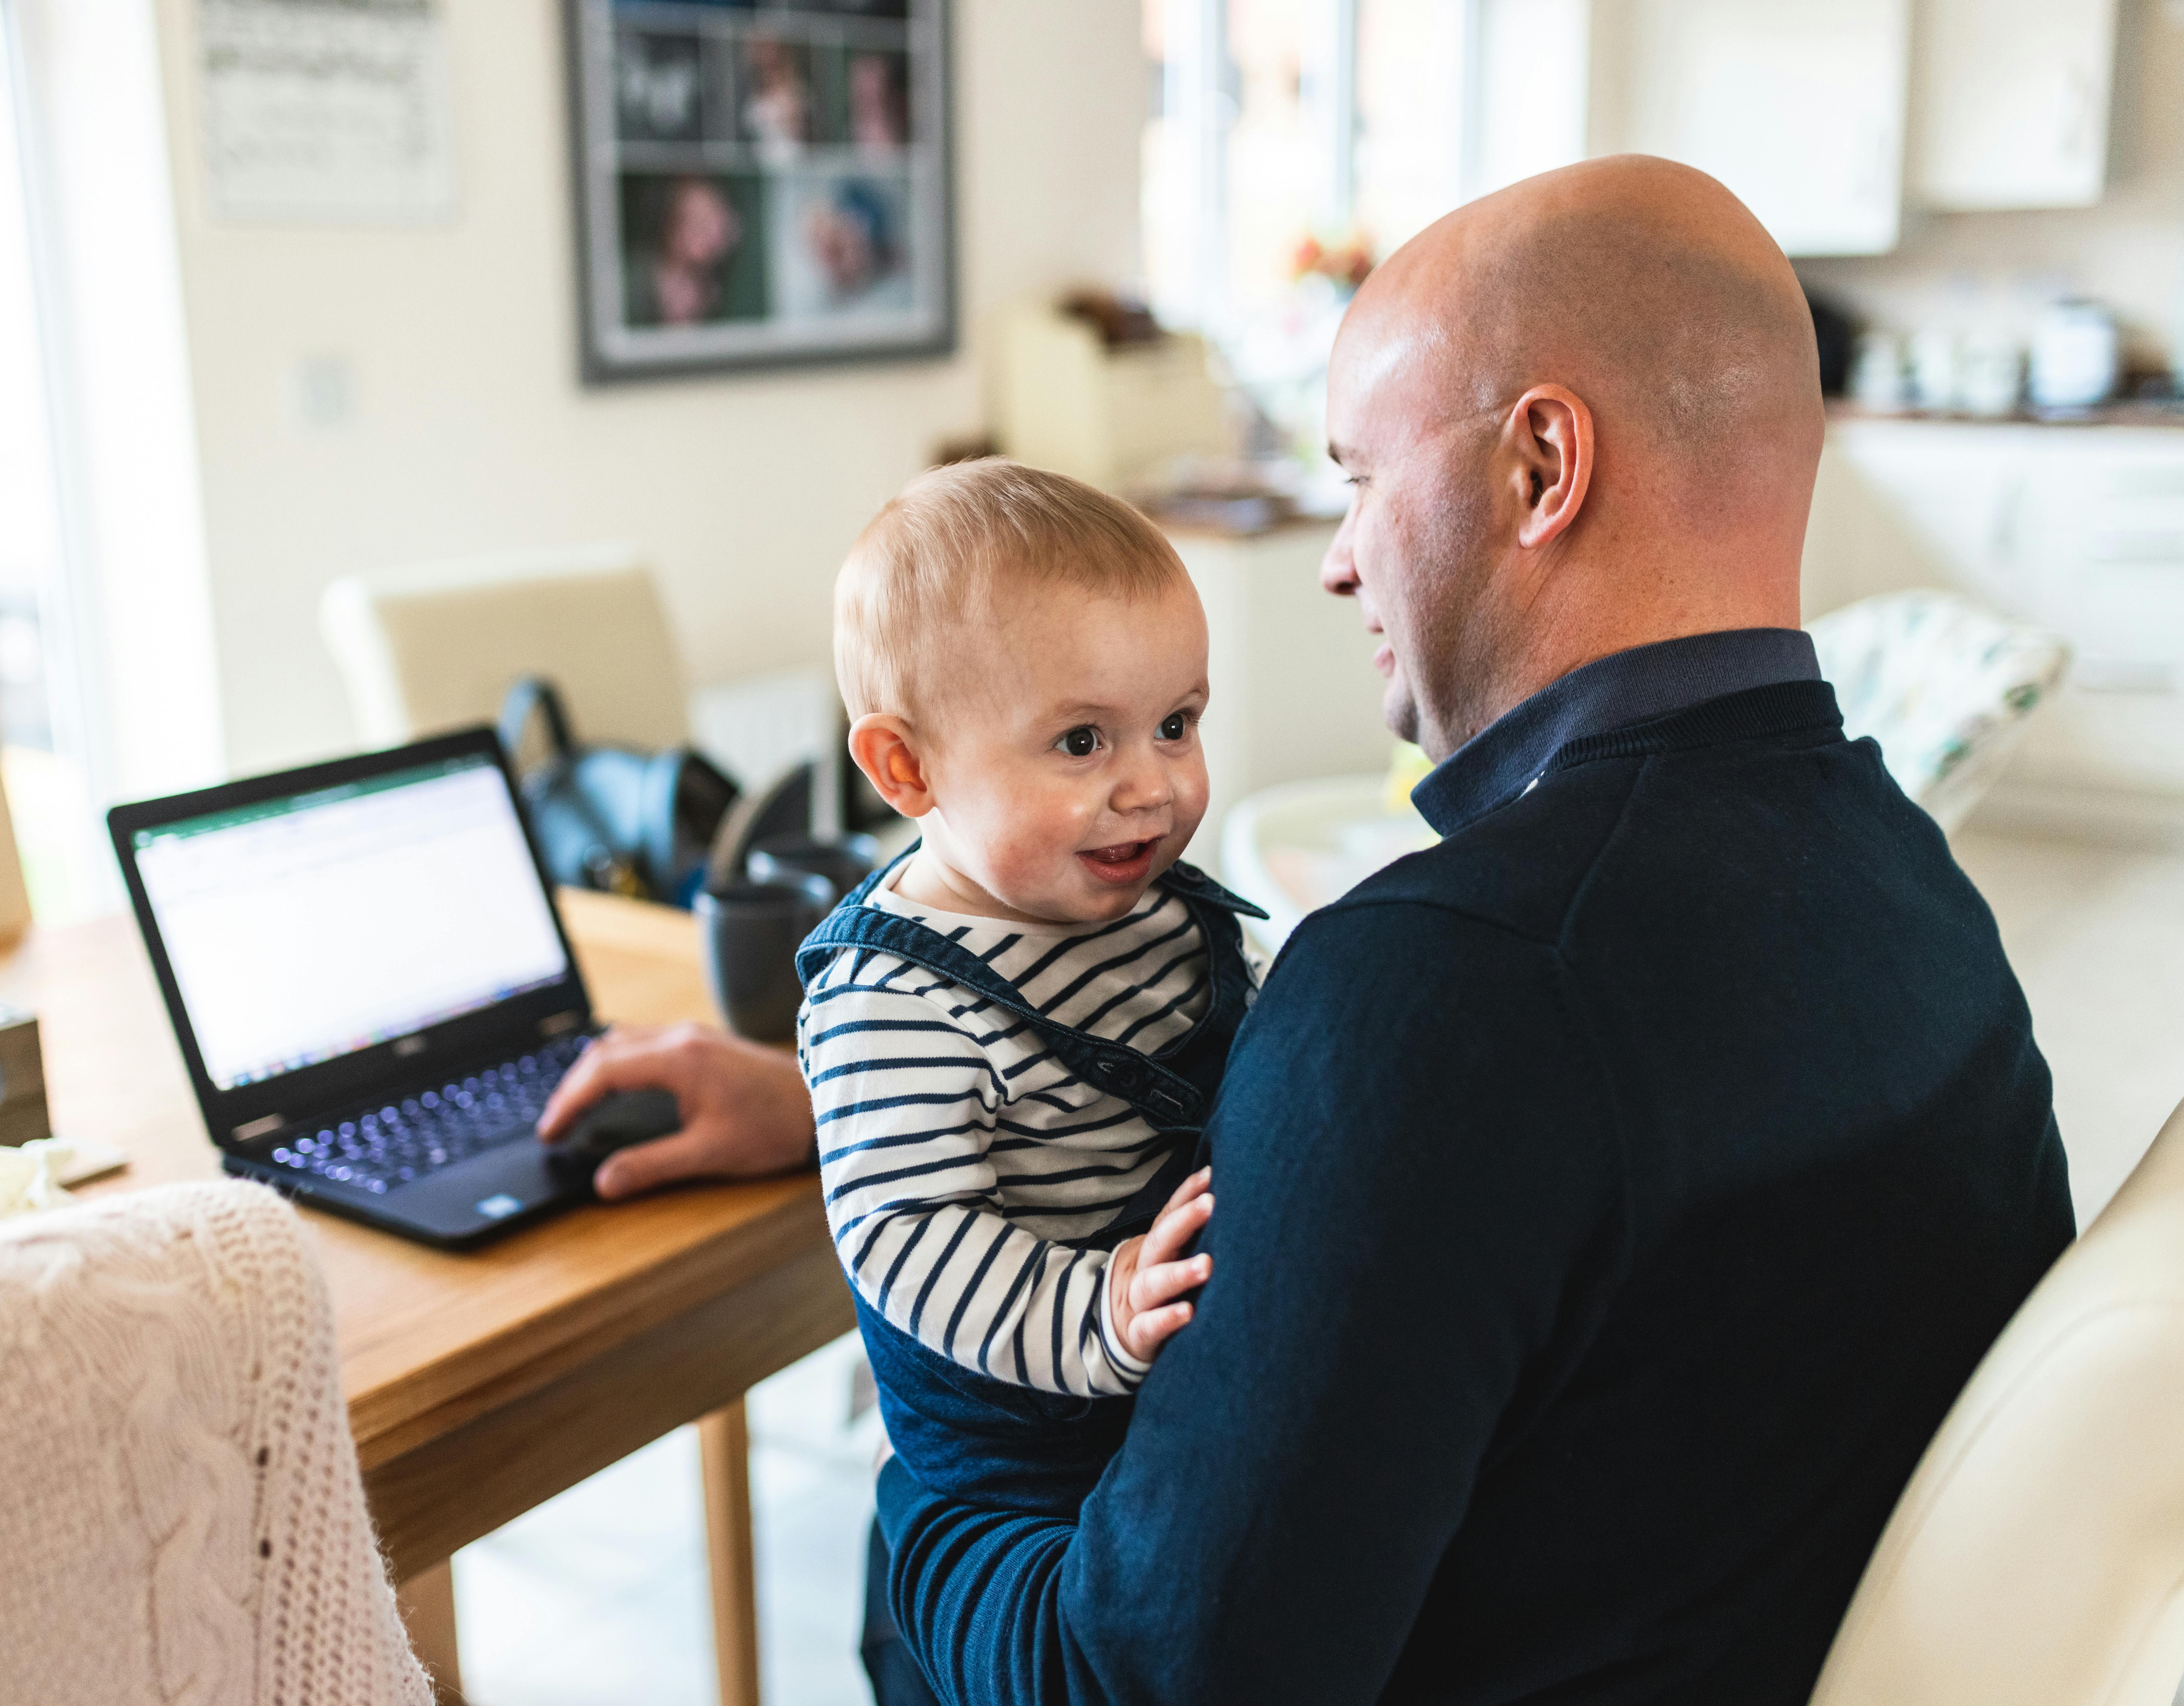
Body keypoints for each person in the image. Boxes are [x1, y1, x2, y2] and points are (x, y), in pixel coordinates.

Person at [543, 155, 2073, 1705]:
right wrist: (838, 1103)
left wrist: (924, 1510)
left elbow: (1124, 1680)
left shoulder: (1447, 994)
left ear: (1540, 467)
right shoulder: (1910, 885)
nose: (1339, 558)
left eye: (1356, 478)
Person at [795, 460, 1252, 1515]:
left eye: (1177, 723)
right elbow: (907, 1238)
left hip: (1179, 1362)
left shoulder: (1154, 904)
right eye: (1082, 742)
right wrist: (1100, 1310)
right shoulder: (895, 999)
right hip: (1042, 1455)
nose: (1154, 787)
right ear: (907, 770)